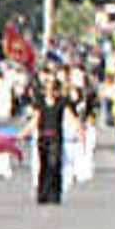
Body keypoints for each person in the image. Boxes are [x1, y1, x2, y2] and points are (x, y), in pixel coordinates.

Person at [30, 75, 71, 205]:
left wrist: (81, 133)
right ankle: (43, 194)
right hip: (43, 137)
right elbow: (35, 120)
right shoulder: (40, 102)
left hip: (56, 138)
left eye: (52, 88)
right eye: (47, 88)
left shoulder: (61, 102)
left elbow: (72, 117)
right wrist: (21, 134)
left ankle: (54, 194)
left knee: (54, 165)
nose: (50, 91)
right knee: (44, 166)